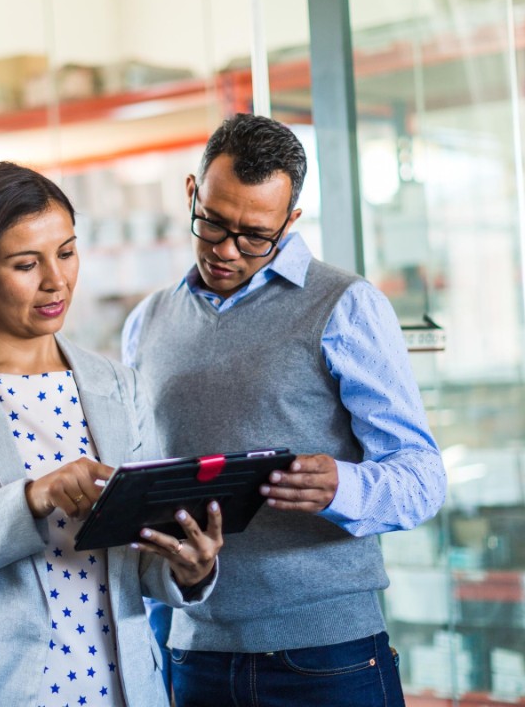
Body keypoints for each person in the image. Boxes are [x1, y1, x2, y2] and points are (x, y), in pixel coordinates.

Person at [0, 161, 223, 707]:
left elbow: (142, 560)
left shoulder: (117, 386)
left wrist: (188, 568)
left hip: (115, 686)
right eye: (26, 264)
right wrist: (31, 500)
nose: (56, 281)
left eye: (66, 252)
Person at [122, 114, 447, 707]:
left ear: (290, 222)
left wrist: (343, 487)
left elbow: (422, 479)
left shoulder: (345, 307)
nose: (225, 250)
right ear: (192, 192)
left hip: (328, 659)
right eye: (212, 224)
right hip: (194, 652)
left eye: (254, 236)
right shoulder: (147, 323)